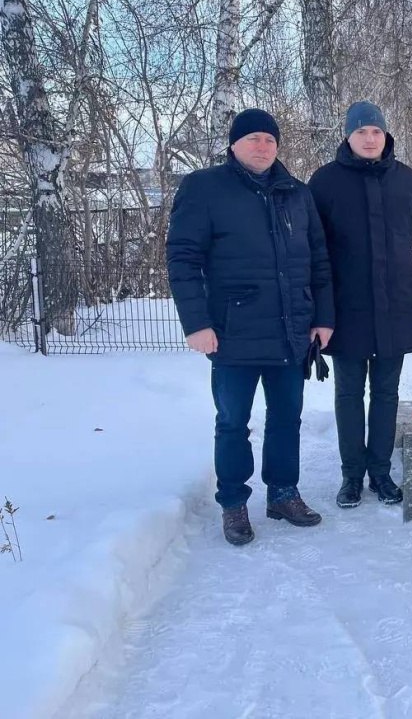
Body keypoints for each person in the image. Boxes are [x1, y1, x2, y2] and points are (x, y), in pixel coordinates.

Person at [167, 108, 335, 546]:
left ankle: (283, 493)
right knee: (232, 422)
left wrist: (323, 317)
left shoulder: (296, 193)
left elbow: (319, 260)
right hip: (232, 331)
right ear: (234, 144)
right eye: (253, 138)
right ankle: (233, 503)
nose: (263, 146)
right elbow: (182, 259)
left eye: (270, 139)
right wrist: (196, 323)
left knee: (286, 419)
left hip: (290, 330)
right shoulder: (204, 188)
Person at [309, 101, 412, 509]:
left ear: (386, 135)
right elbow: (312, 250)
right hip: (346, 310)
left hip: (396, 306)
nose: (370, 139)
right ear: (347, 135)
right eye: (361, 132)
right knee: (349, 394)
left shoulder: (406, 180)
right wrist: (317, 310)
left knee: (387, 394)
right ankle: (352, 476)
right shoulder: (325, 182)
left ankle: (381, 474)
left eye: (376, 131)